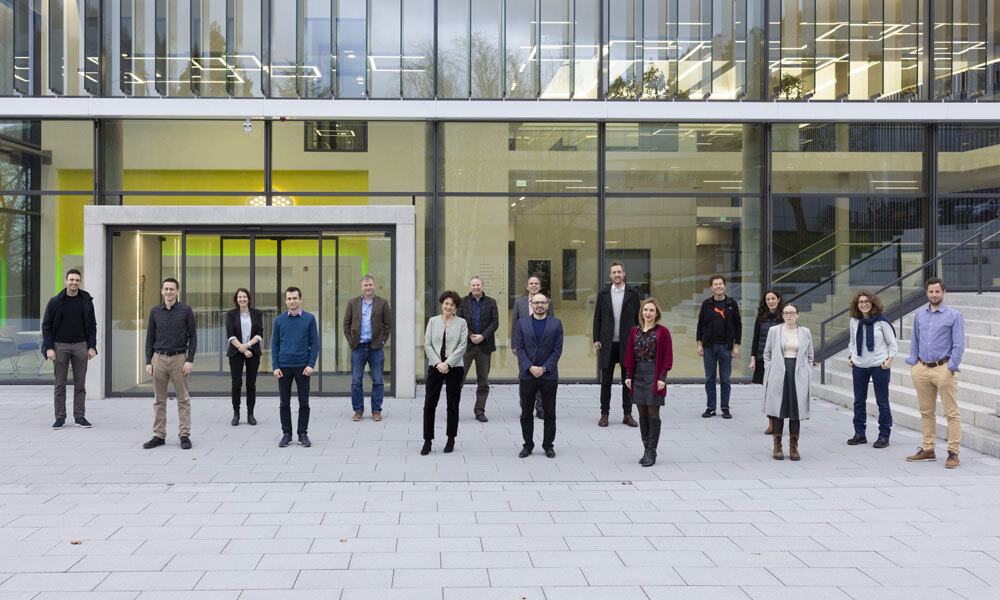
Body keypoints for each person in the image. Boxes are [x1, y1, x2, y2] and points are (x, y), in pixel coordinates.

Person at [905, 277, 965, 469]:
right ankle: (928, 449)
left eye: (937, 291)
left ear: (944, 292)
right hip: (922, 368)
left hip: (944, 368)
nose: (934, 295)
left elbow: (959, 344)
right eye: (931, 292)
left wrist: (951, 367)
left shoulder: (954, 316)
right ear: (926, 293)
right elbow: (915, 339)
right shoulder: (919, 315)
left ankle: (953, 452)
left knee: (951, 413)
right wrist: (913, 363)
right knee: (926, 412)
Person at [142, 278, 197, 450]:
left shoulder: (186, 310)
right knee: (159, 400)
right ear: (161, 291)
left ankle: (184, 435)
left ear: (177, 291)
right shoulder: (155, 311)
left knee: (183, 399)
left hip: (179, 359)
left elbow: (193, 336)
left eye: (172, 289)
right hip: (159, 358)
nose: (168, 292)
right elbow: (150, 337)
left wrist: (190, 360)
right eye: (165, 289)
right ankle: (159, 435)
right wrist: (148, 361)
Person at [41, 269, 98, 430]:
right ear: (66, 281)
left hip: (81, 345)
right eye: (71, 279)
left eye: (77, 280)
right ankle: (59, 417)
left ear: (80, 282)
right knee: (60, 384)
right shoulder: (55, 302)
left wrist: (92, 346)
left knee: (80, 385)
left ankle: (79, 416)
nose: (74, 282)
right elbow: (46, 326)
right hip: (60, 347)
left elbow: (92, 325)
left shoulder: (86, 301)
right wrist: (49, 348)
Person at [513, 293, 563, 458]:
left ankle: (548, 445)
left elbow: (557, 350)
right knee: (526, 413)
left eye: (543, 303)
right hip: (527, 375)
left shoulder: (556, 323)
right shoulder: (522, 323)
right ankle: (527, 445)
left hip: (548, 375)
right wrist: (530, 367)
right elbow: (519, 348)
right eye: (536, 303)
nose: (540, 305)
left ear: (547, 305)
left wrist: (544, 368)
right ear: (531, 304)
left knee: (549, 413)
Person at [624, 298, 673, 467]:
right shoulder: (634, 331)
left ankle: (652, 451)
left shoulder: (663, 332)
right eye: (646, 310)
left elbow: (667, 356)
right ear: (641, 312)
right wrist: (629, 374)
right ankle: (646, 449)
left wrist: (662, 377)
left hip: (653, 374)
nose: (648, 313)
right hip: (638, 375)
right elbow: (629, 354)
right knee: (642, 414)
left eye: (652, 310)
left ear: (656, 313)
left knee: (653, 414)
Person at [762, 303, 813, 461]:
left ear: (798, 314)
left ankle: (794, 447)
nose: (789, 315)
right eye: (785, 313)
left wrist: (808, 371)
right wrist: (770, 368)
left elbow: (810, 356)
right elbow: (767, 353)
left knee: (795, 411)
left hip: (798, 373)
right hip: (778, 373)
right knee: (778, 409)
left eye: (792, 312)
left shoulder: (805, 332)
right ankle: (777, 446)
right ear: (782, 315)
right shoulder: (774, 331)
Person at [593, 261, 640, 428]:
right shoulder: (603, 293)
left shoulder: (633, 293)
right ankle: (604, 414)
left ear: (624, 274)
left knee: (627, 381)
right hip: (607, 343)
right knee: (606, 382)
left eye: (619, 272)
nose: (617, 275)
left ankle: (627, 414)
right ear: (610, 275)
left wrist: (638, 339)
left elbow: (638, 318)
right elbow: (597, 317)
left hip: (627, 344)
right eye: (614, 272)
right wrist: (596, 338)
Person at [847, 290, 897, 448]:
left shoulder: (882, 321)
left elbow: (892, 344)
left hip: (878, 365)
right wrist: (851, 356)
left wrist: (888, 361)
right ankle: (859, 433)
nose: (864, 304)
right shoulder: (854, 321)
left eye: (867, 302)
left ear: (873, 303)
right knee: (858, 402)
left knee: (882, 401)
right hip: (859, 365)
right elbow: (852, 342)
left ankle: (884, 435)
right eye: (861, 302)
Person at [421, 291, 469, 455]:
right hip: (435, 367)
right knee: (429, 404)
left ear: (456, 307)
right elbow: (427, 344)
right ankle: (427, 440)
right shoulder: (433, 321)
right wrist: (438, 363)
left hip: (455, 367)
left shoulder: (462, 323)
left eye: (452, 304)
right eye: (446, 303)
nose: (449, 307)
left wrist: (448, 363)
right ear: (442, 304)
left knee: (453, 404)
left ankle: (451, 438)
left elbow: (462, 346)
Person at [271, 286, 319, 448]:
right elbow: (274, 344)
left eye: (295, 298)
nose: (292, 301)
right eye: (289, 298)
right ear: (286, 301)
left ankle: (303, 434)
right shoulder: (279, 320)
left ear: (300, 300)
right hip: (284, 367)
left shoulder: (309, 319)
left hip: (302, 367)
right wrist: (275, 366)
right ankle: (287, 434)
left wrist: (311, 365)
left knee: (303, 402)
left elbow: (315, 343)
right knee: (284, 403)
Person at [343, 274, 393, 421]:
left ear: (374, 286)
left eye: (370, 284)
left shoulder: (382, 303)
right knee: (356, 381)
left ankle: (376, 410)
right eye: (365, 285)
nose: (368, 287)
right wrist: (351, 341)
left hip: (376, 348)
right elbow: (346, 324)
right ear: (361, 287)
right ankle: (358, 410)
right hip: (358, 347)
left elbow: (388, 324)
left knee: (378, 381)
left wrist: (382, 341)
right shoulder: (352, 303)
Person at [697, 274, 742, 418]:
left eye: (720, 284)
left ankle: (725, 407)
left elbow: (738, 326)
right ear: (711, 288)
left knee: (725, 379)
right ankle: (710, 407)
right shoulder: (706, 304)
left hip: (726, 347)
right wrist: (699, 344)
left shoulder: (732, 304)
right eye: (715, 284)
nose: (718, 286)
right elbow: (700, 325)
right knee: (709, 378)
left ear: (724, 286)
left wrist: (736, 346)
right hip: (709, 347)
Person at [511, 274, 555, 419]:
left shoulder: (548, 302)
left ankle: (540, 408)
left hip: (543, 346)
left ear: (540, 287)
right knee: (525, 376)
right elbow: (514, 324)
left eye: (536, 283)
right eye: (531, 283)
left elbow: (552, 324)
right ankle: (525, 405)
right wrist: (513, 345)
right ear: (527, 286)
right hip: (524, 347)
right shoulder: (519, 302)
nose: (534, 285)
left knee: (542, 376)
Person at [456, 276, 498, 422]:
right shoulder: (462, 302)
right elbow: (459, 322)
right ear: (470, 287)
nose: (476, 287)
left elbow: (495, 322)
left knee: (483, 381)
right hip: (466, 347)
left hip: (484, 347)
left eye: (478, 285)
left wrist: (482, 336)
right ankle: (453, 409)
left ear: (482, 286)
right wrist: (471, 335)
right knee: (457, 380)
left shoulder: (491, 302)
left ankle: (479, 410)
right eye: (473, 285)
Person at [225, 288, 264, 426]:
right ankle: (236, 414)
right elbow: (230, 335)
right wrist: (241, 348)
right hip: (236, 352)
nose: (242, 299)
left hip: (253, 351)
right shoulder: (231, 314)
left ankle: (250, 414)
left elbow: (260, 334)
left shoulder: (257, 313)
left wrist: (246, 346)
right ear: (236, 299)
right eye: (239, 297)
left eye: (244, 297)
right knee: (236, 384)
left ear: (249, 298)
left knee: (251, 384)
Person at [750, 290, 784, 434]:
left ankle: (779, 421)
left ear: (778, 299)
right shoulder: (761, 318)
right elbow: (756, 339)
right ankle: (771, 423)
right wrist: (753, 359)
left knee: (780, 392)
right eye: (768, 299)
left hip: (780, 360)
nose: (770, 301)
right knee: (769, 393)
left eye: (773, 298)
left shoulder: (784, 317)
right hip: (764, 360)